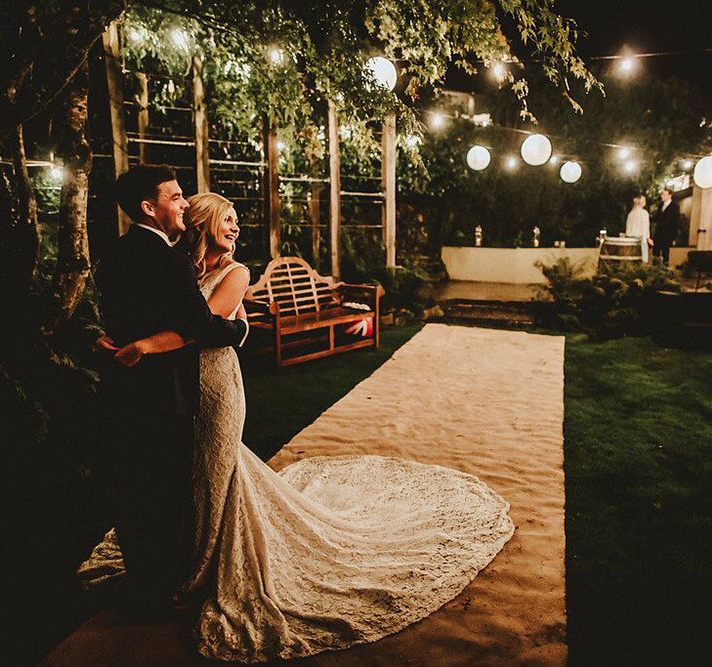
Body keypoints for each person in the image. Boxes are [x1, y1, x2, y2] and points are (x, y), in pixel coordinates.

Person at [82, 194, 514, 662]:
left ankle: (206, 569)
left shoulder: (237, 272)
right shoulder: (181, 269)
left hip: (217, 385)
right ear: (204, 223)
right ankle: (184, 554)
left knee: (216, 469)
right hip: (180, 386)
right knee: (193, 473)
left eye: (236, 222)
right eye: (227, 220)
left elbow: (202, 328)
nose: (235, 228)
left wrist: (145, 345)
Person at [92, 166, 248, 615]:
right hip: (166, 388)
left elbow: (113, 310)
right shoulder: (170, 259)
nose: (183, 203)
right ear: (149, 206)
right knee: (164, 486)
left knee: (138, 485)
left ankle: (149, 574)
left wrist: (104, 339)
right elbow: (196, 326)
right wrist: (237, 329)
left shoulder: (116, 251)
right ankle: (161, 585)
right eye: (176, 196)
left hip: (131, 384)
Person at [652, 188, 680, 264]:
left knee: (665, 253)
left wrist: (674, 236)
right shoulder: (660, 205)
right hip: (659, 233)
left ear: (670, 195)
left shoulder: (674, 206)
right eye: (662, 194)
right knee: (656, 252)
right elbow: (657, 218)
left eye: (664, 194)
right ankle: (654, 270)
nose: (662, 196)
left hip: (668, 234)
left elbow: (675, 222)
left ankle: (664, 270)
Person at [625, 195, 651, 263]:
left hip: (630, 240)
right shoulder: (644, 213)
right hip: (641, 240)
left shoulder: (631, 213)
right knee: (642, 260)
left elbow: (628, 229)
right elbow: (645, 227)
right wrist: (648, 238)